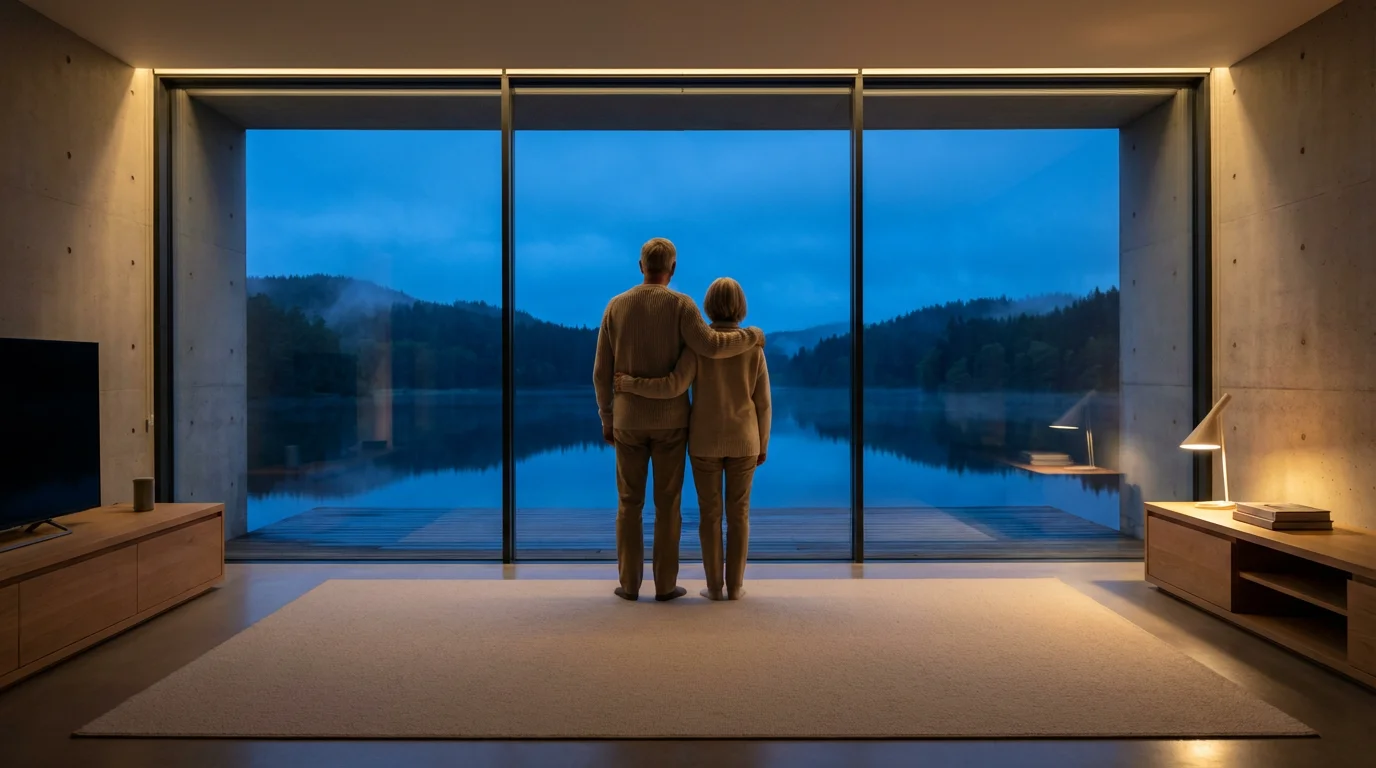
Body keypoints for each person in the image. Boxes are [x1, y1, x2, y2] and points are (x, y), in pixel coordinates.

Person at [593, 239, 765, 602]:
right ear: (673, 269)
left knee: (629, 503)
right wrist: (752, 336)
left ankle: (629, 584)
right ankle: (666, 585)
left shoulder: (615, 307)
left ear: (641, 265)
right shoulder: (682, 306)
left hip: (627, 421)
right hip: (672, 422)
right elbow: (714, 346)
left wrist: (607, 416)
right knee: (668, 504)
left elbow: (600, 373)